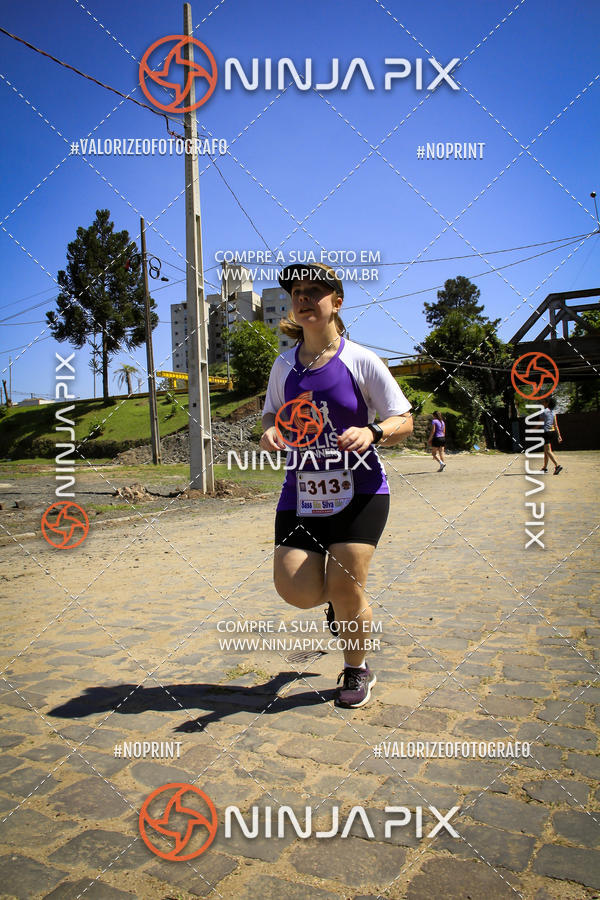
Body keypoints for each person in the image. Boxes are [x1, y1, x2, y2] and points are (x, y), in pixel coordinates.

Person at [260, 263, 413, 708]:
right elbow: (271, 414)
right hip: (301, 492)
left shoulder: (361, 359)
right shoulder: (283, 365)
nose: (304, 298)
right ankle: (342, 607)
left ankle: (355, 669)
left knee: (347, 588)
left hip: (361, 491)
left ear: (337, 303)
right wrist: (270, 431)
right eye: (297, 293)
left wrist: (375, 432)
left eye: (315, 292)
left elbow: (404, 417)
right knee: (296, 589)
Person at [541, 396, 563, 474]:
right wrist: (559, 436)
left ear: (547, 403)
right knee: (546, 450)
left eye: (543, 402)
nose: (542, 403)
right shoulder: (553, 412)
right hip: (552, 432)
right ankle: (544, 467)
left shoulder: (544, 412)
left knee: (548, 451)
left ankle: (557, 466)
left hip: (546, 432)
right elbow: (556, 425)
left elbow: (540, 422)